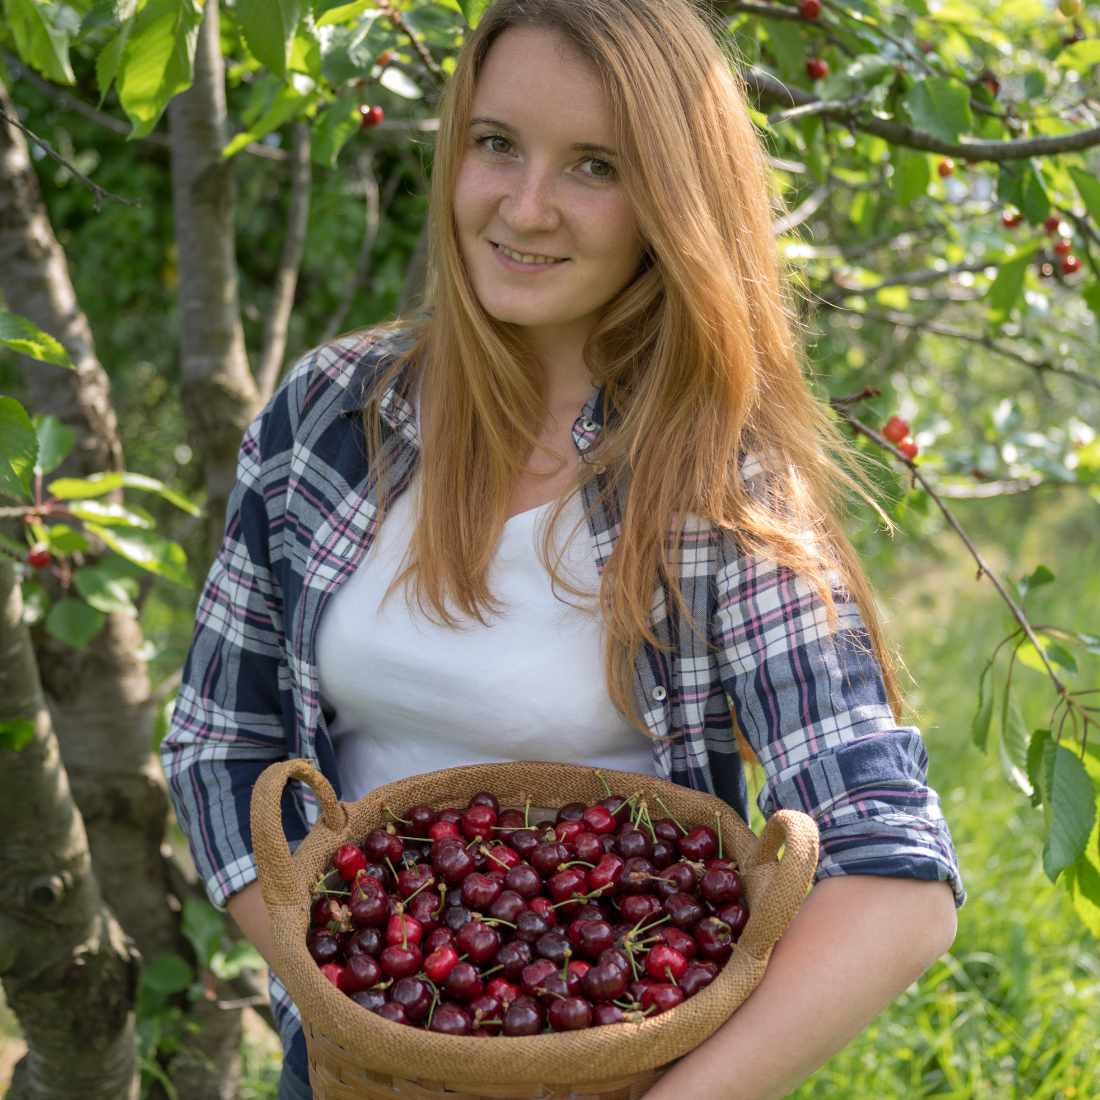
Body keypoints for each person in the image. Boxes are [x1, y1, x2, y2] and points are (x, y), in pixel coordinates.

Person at [161, 0, 963, 1096]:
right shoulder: (333, 414)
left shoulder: (715, 485)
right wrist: (349, 1006)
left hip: (614, 1064)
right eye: (496, 144)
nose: (525, 207)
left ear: (671, 200)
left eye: (594, 166)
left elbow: (894, 880)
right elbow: (220, 742)